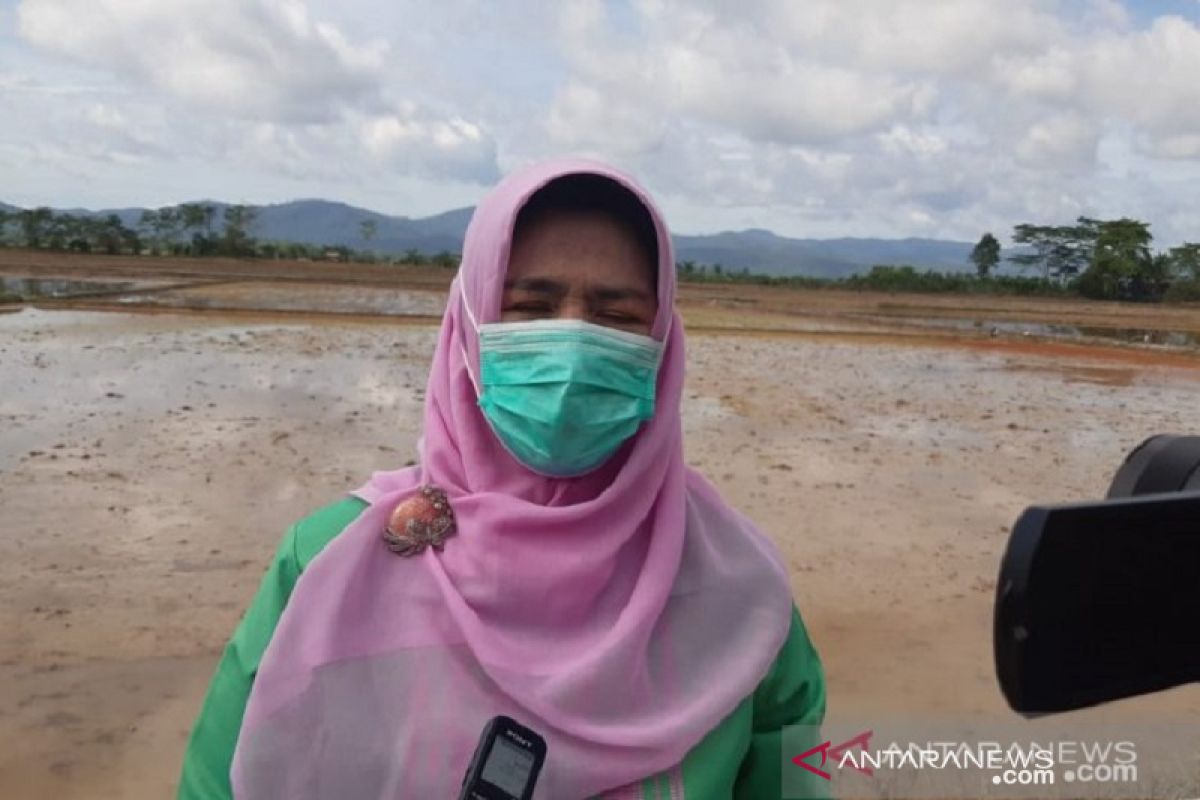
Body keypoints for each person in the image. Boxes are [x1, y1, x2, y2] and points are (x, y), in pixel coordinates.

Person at [178, 158, 825, 799]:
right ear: (468, 329)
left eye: (618, 315)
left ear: (663, 342)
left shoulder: (741, 590)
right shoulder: (334, 561)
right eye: (531, 306)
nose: (571, 341)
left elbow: (799, 778)